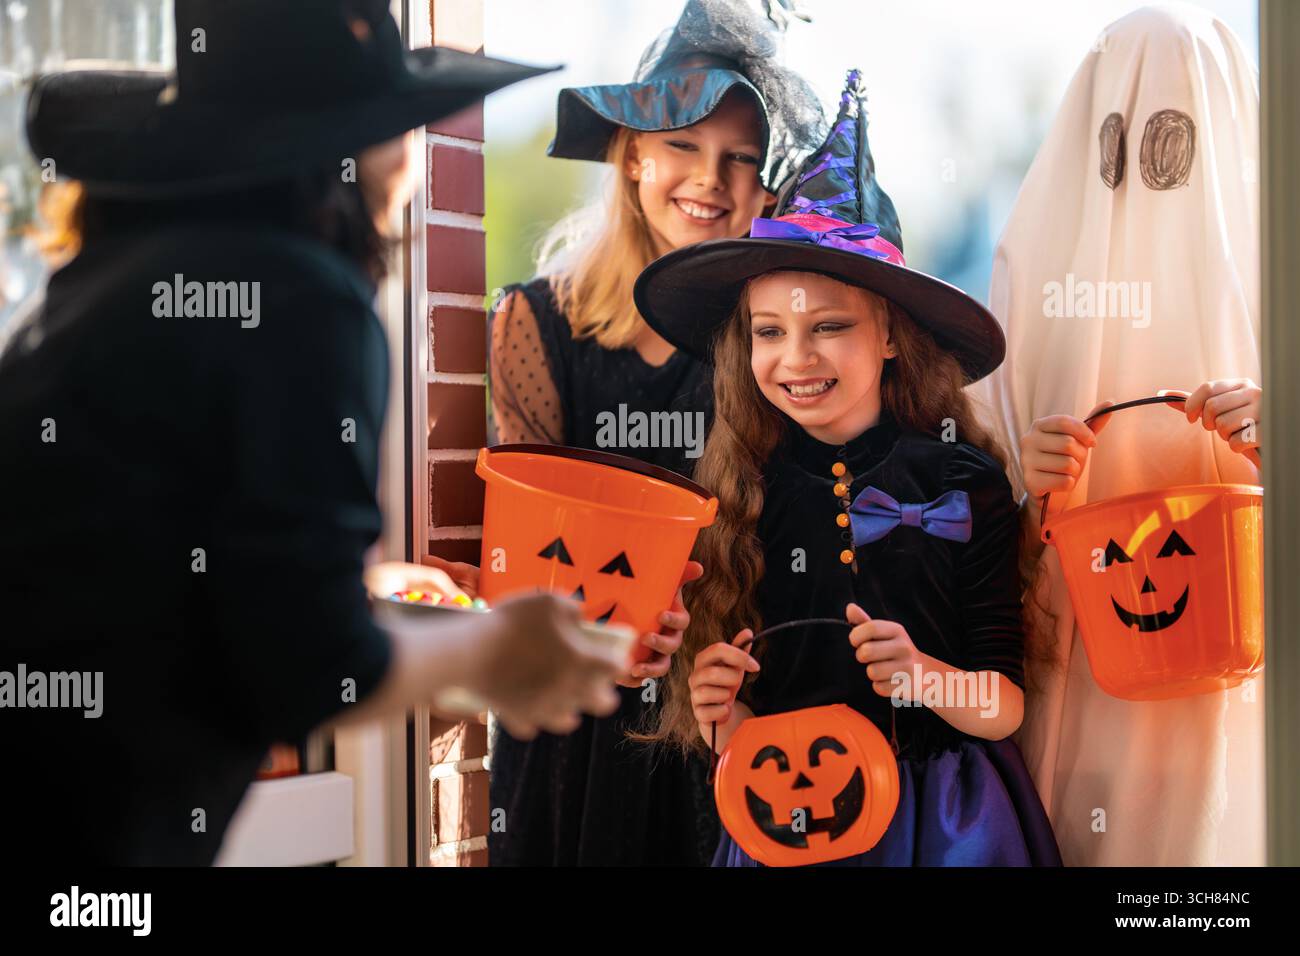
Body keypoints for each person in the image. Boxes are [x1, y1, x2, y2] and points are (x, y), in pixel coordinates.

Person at [0, 0, 623, 866]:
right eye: (399, 127)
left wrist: (366, 597)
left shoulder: (104, 285)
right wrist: (492, 650)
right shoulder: (301, 296)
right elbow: (306, 665)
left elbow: (176, 598)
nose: (411, 156)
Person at [635, 71, 1061, 866]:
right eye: (768, 332)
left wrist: (926, 675)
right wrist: (722, 713)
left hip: (943, 824)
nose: (796, 358)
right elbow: (739, 732)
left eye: (828, 326)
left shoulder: (961, 483)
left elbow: (1002, 707)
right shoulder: (737, 497)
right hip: (787, 819)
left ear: (892, 336)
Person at [486, 0, 825, 865]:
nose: (709, 178)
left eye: (740, 158)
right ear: (632, 154)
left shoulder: (778, 345)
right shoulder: (537, 325)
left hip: (736, 717)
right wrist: (617, 632)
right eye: (682, 143)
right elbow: (520, 559)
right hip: (577, 726)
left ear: (767, 188)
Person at [972, 5, 1265, 865]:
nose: (1147, 171)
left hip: (1239, 697)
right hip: (1080, 672)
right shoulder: (1029, 294)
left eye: (1178, 137)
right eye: (1119, 137)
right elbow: (970, 506)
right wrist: (1024, 482)